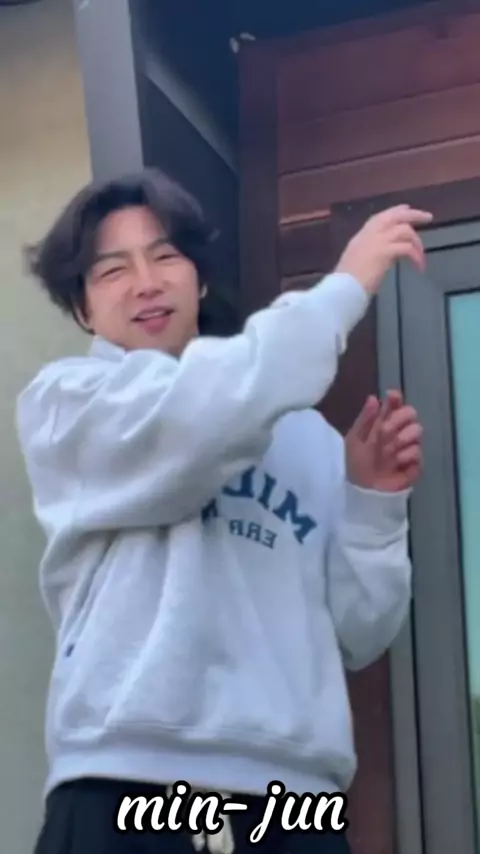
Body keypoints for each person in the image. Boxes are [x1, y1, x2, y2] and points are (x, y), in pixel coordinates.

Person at [17, 168, 429, 854]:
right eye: (112, 270)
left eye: (166, 256)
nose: (146, 282)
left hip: (294, 803)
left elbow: (361, 631)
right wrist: (343, 288)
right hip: (126, 784)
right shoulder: (70, 403)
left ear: (200, 279)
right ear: (83, 308)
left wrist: (373, 502)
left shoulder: (304, 436)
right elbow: (199, 416)